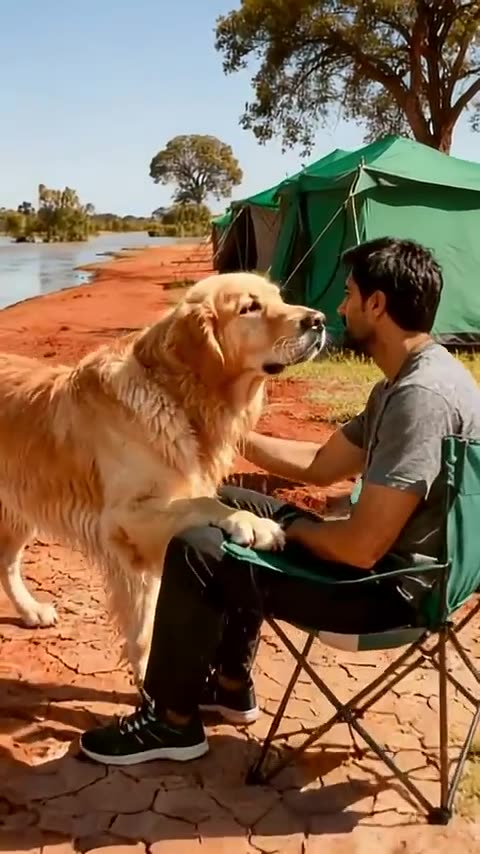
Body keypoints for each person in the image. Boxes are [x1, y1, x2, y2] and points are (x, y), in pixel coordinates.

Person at [79, 236, 480, 766]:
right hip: (416, 571)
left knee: (201, 542)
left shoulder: (418, 402)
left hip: (386, 593)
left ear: (377, 305)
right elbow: (320, 464)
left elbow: (361, 547)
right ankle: (229, 681)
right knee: (219, 499)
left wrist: (284, 529)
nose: (337, 307)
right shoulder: (421, 378)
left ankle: (170, 720)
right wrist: (214, 430)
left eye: (349, 295)